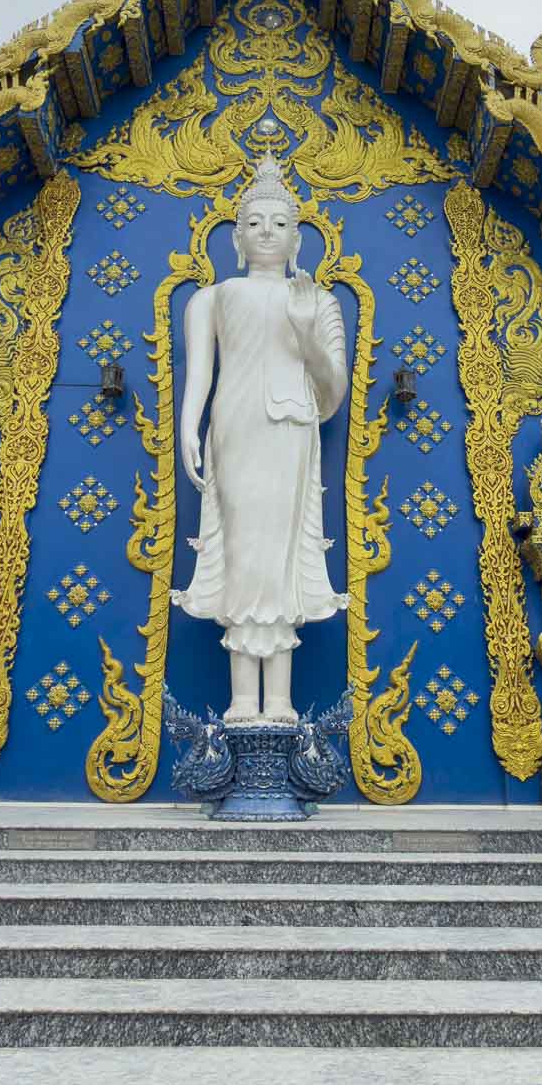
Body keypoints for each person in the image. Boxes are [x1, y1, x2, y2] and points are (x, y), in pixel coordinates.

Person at [172, 152, 349, 722]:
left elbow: (333, 393)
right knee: (244, 552)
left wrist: (305, 332)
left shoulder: (318, 300)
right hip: (236, 427)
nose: (265, 232)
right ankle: (243, 702)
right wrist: (188, 426)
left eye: (277, 224)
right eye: (253, 223)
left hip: (293, 430)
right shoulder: (213, 298)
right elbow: (200, 372)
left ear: (298, 240)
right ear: (235, 239)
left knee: (280, 555)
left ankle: (282, 703)